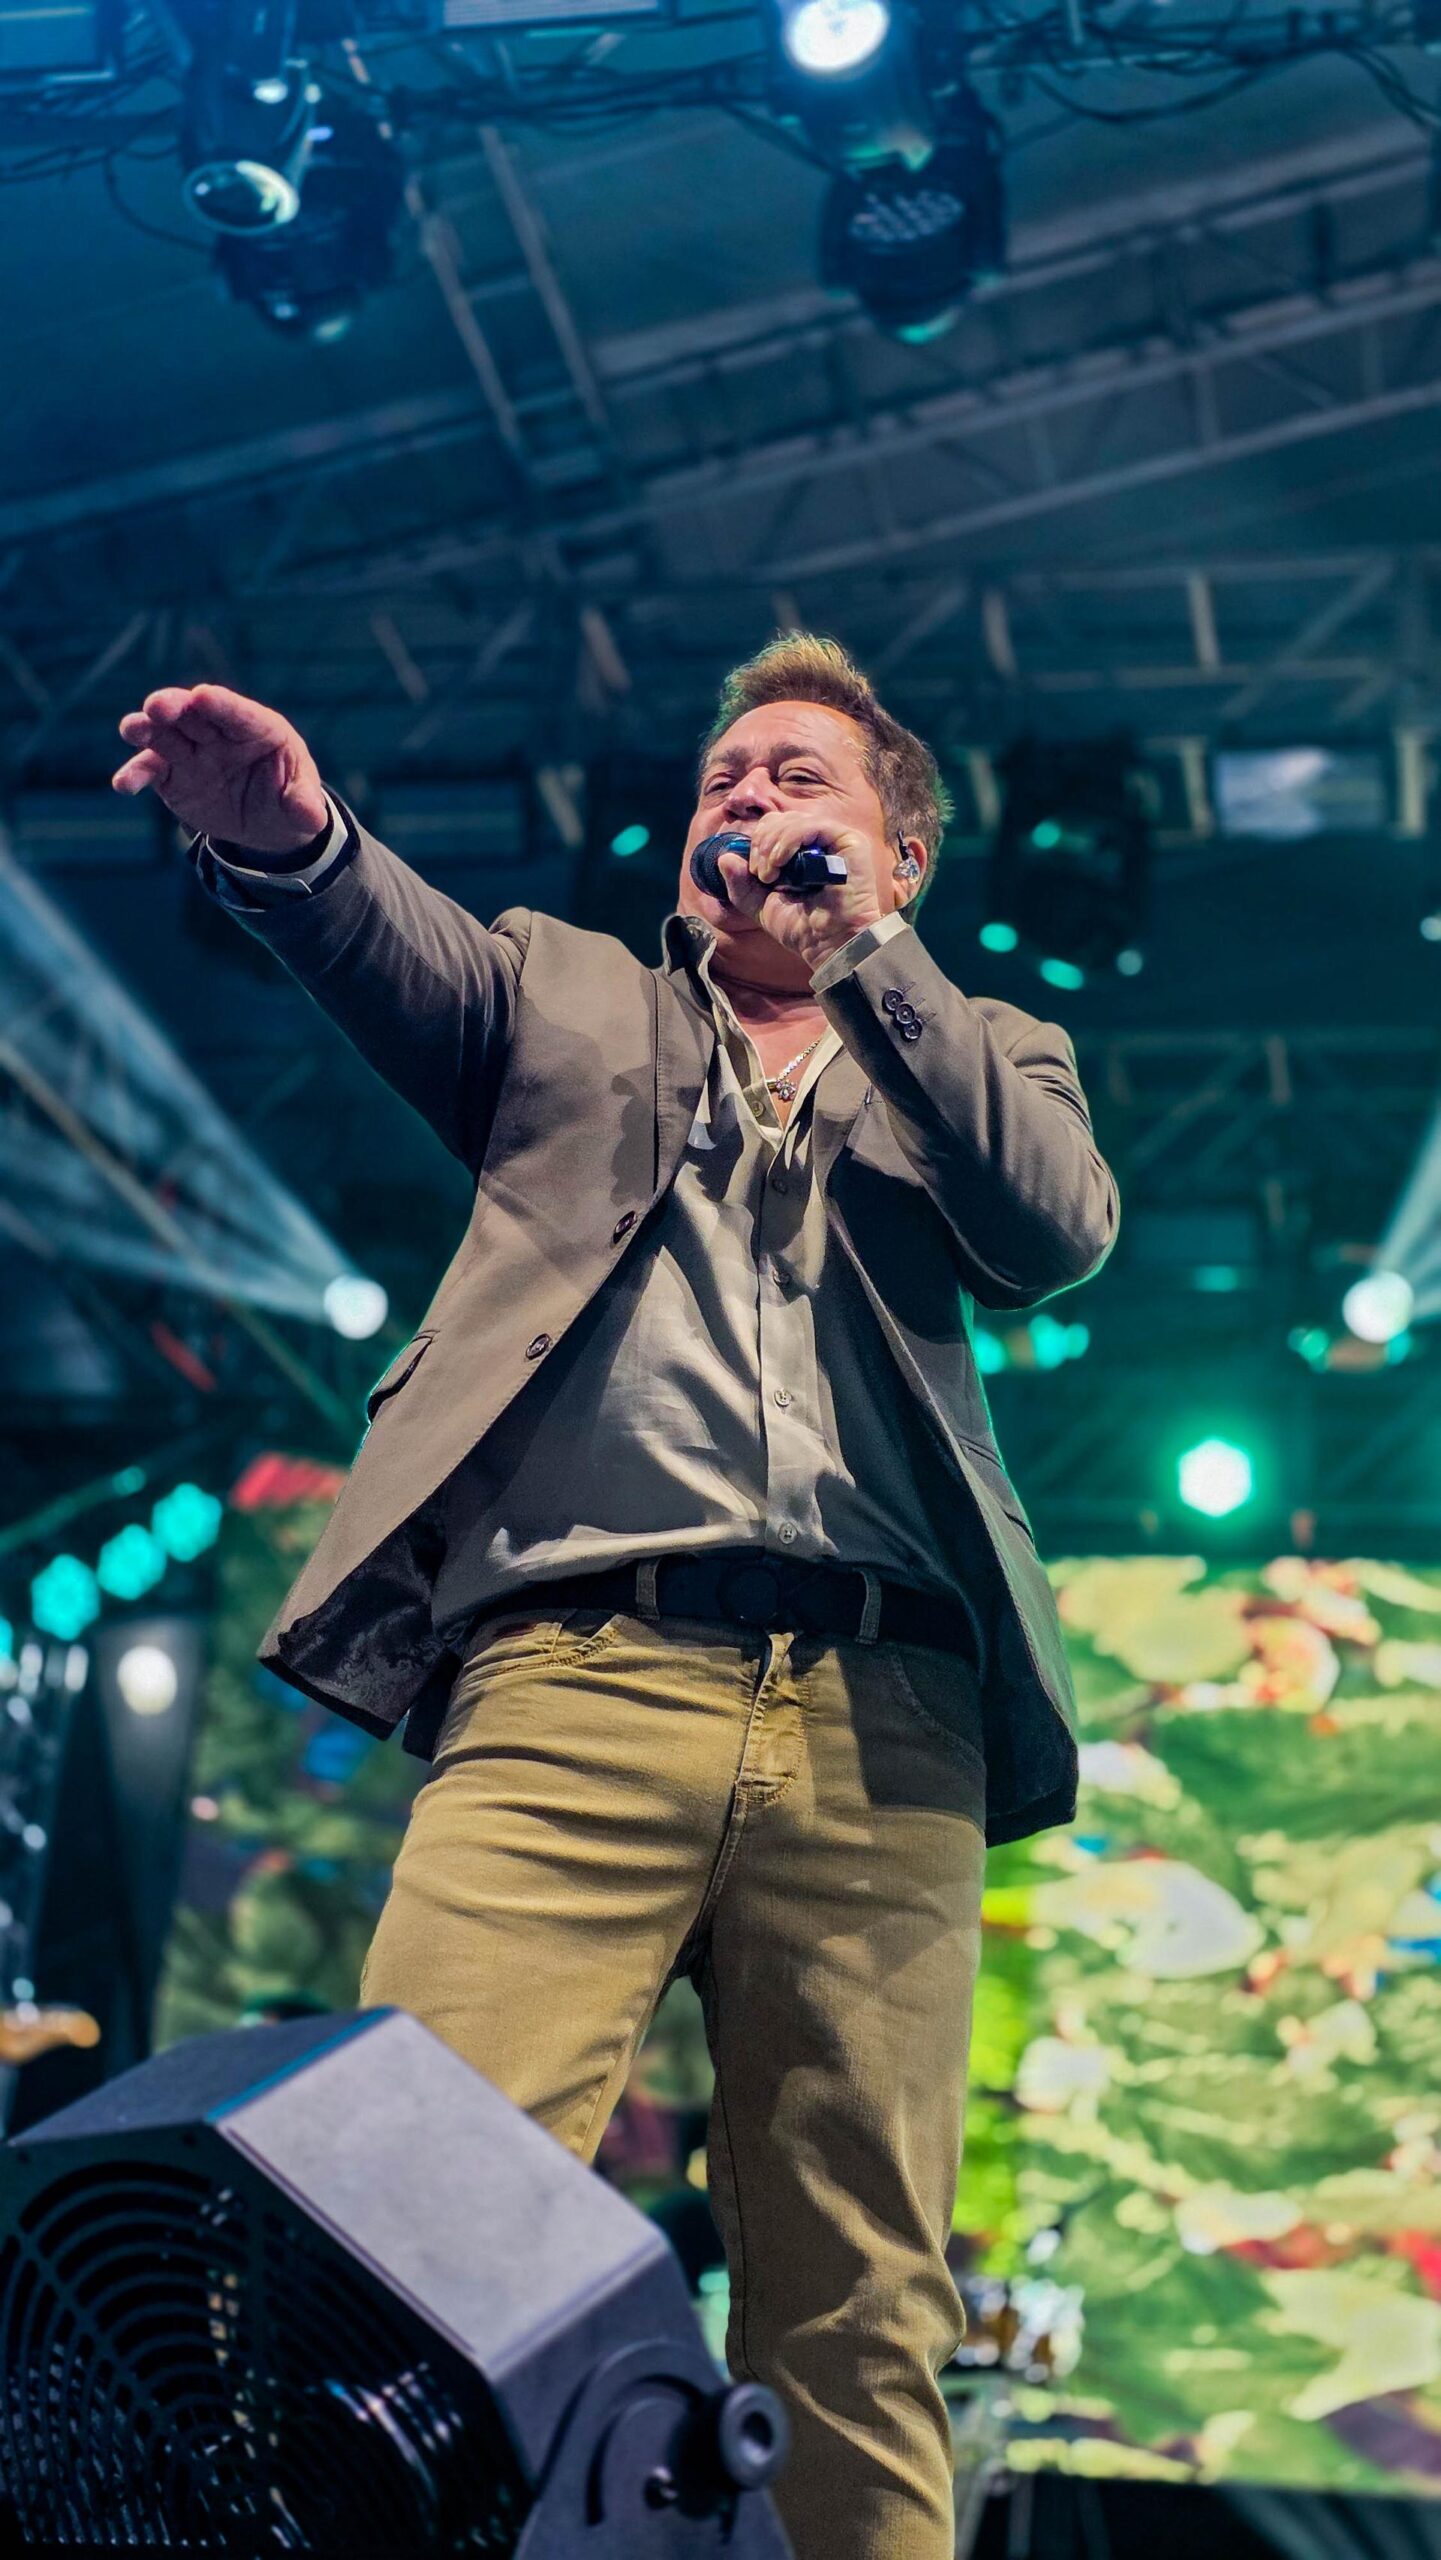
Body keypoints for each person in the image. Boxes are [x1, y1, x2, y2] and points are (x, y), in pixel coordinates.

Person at [113, 635, 1118, 2560]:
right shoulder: (562, 994)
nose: (747, 798)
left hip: (884, 1720)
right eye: (723, 779)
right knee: (408, 2234)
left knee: (859, 2311)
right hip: (571, 1683)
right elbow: (385, 944)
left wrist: (865, 960)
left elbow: (1051, 1229)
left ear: (897, 853)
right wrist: (293, 837)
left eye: (798, 780)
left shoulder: (980, 1047)